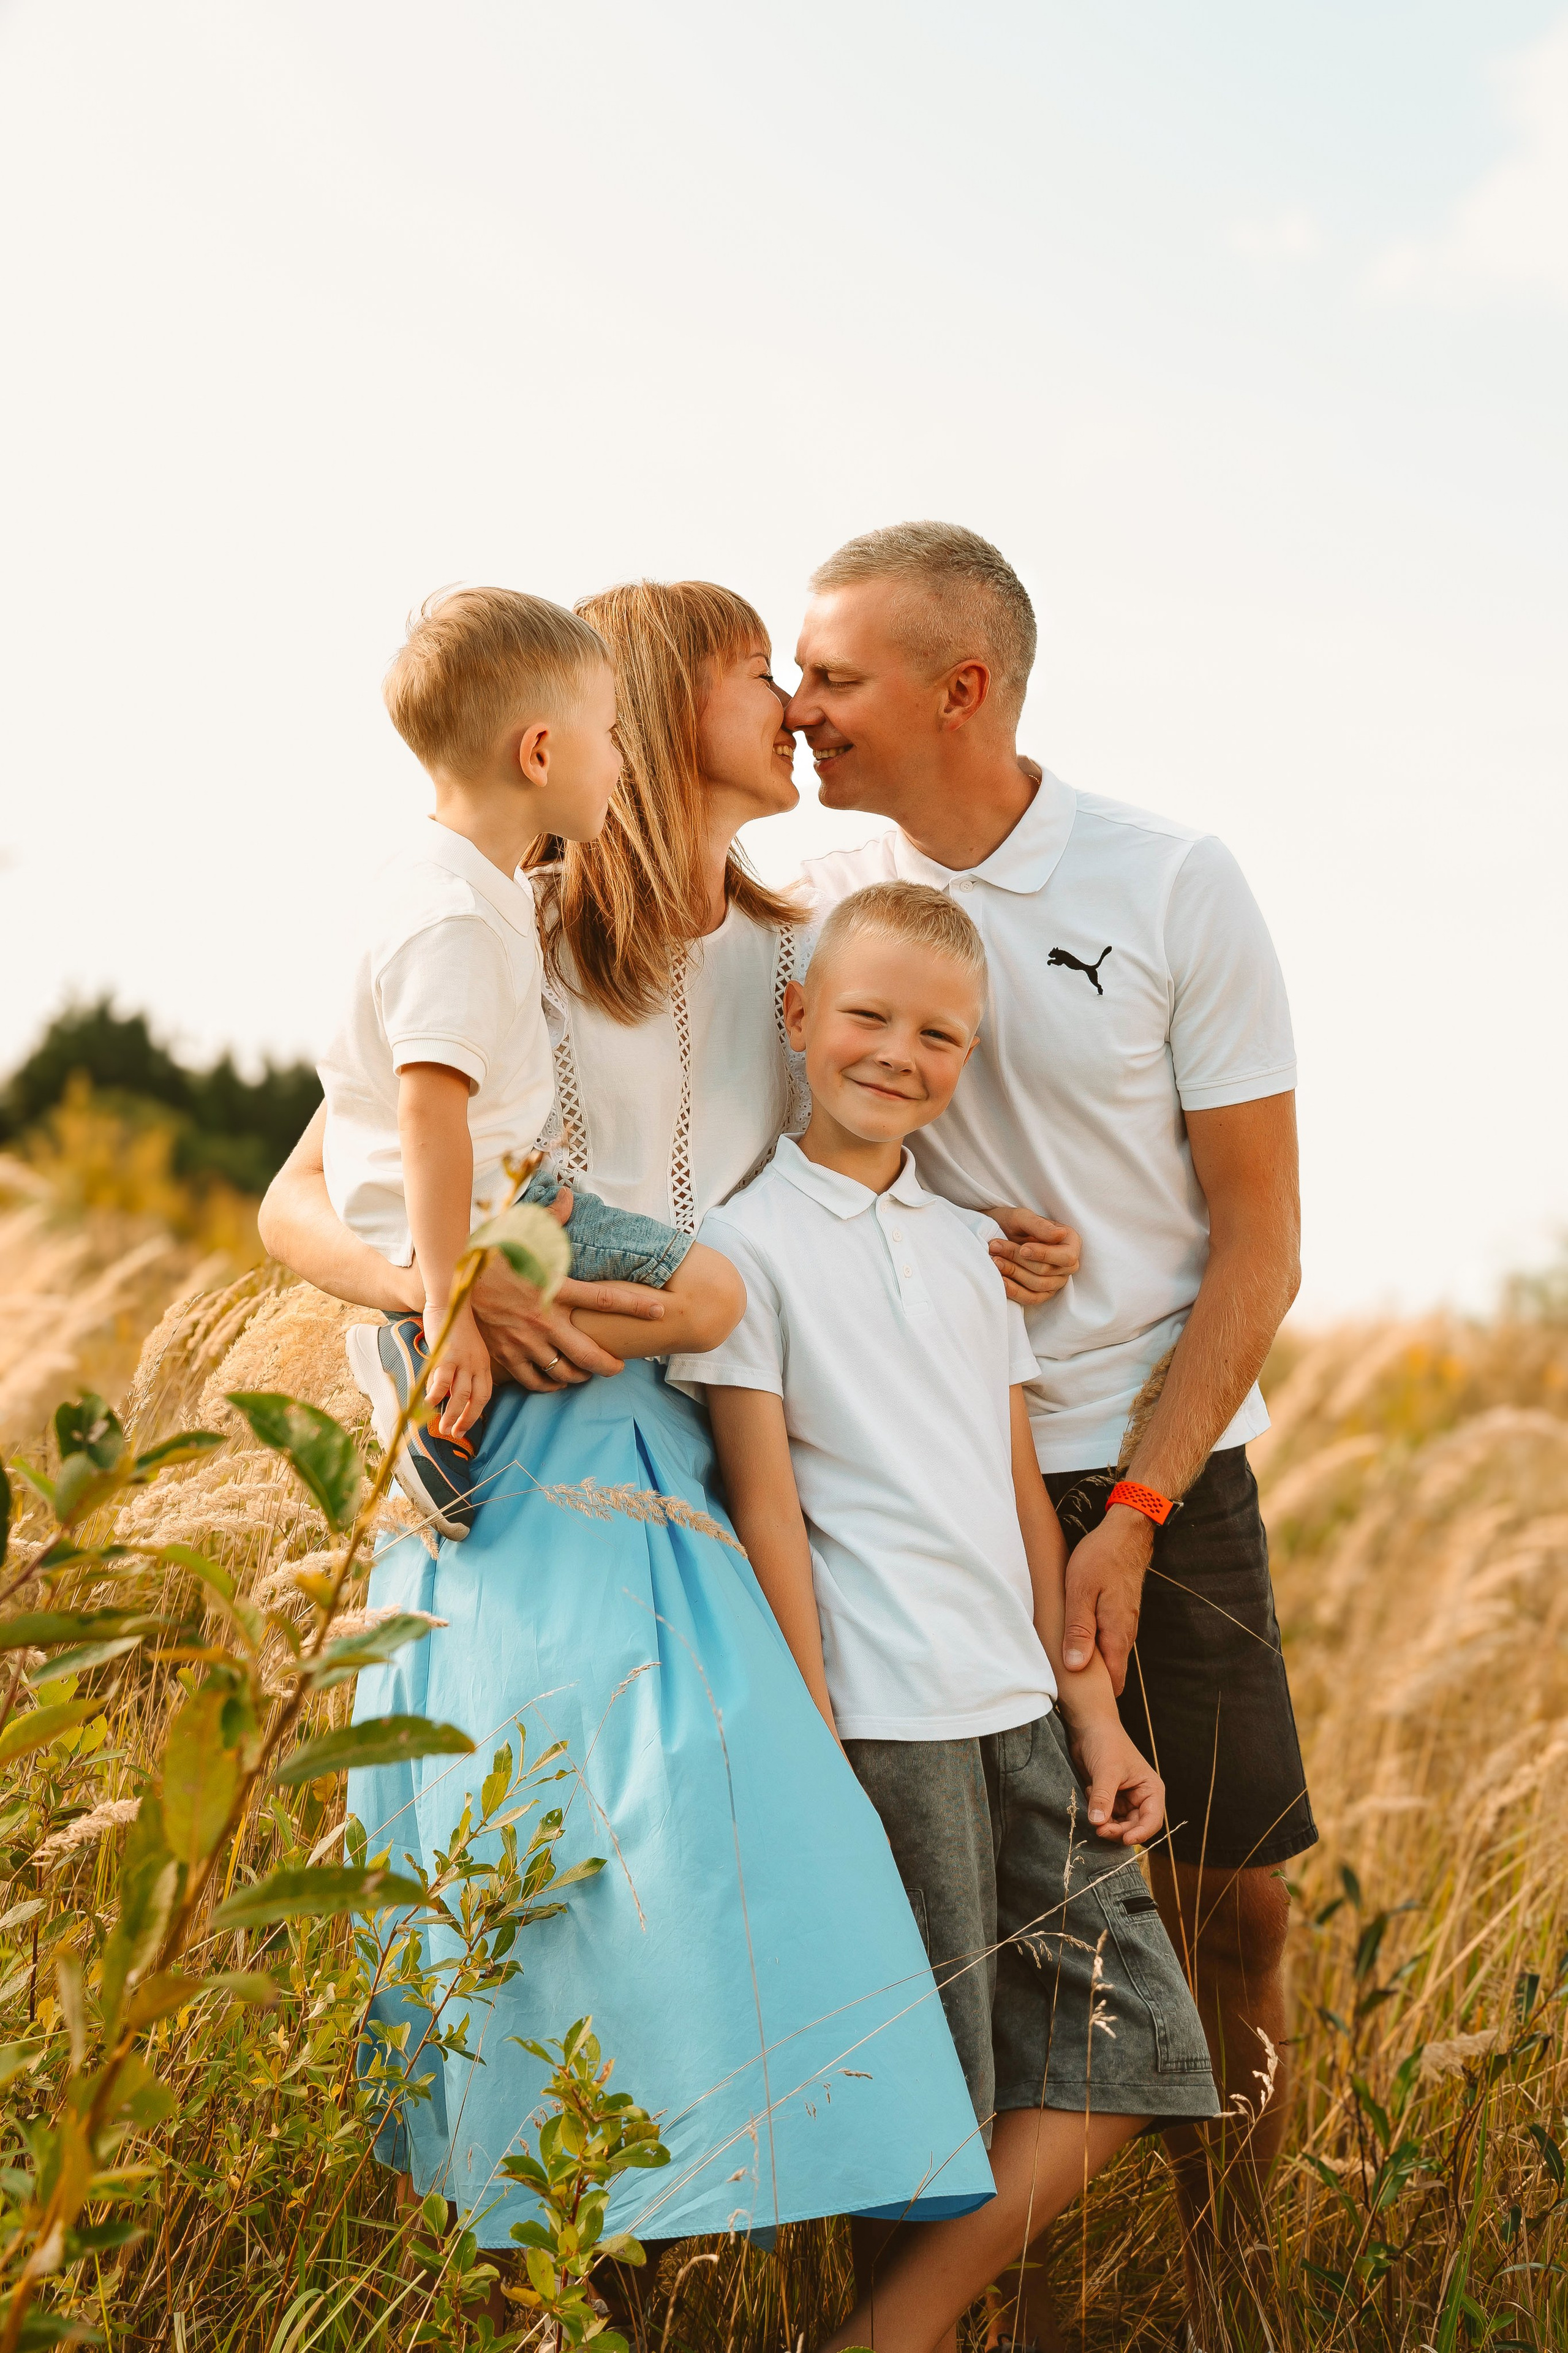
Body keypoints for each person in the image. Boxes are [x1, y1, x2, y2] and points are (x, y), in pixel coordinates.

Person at [257, 580, 998, 2282]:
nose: (796, 707)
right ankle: (545, 2280)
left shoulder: (797, 951)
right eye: (760, 677)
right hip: (515, 1452)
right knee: (549, 1878)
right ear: (658, 717)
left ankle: (670, 2270)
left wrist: (999, 1227)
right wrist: (443, 1296)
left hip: (692, 1465)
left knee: (689, 1868)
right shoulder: (497, 931)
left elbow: (888, 1114)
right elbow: (292, 1203)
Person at [788, 521, 1310, 2331]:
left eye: (836, 676)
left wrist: (1142, 1501)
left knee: (1227, 1900)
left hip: (1154, 1460)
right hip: (924, 1474)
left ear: (964, 687)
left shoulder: (1173, 882)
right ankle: (951, 2299)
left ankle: (1230, 2279)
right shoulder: (817, 900)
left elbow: (1261, 1237)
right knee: (947, 1921)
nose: (801, 708)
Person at [668, 878, 1217, 2353]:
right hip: (884, 1725)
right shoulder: (741, 1250)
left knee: (1138, 2047)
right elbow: (765, 1508)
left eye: (939, 1036)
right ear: (796, 1019)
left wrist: (1092, 1711)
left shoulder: (973, 1253)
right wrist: (806, 1734)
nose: (897, 1054)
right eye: (866, 1017)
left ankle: (883, 2339)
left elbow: (1019, 1500)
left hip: (1023, 1712)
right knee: (929, 2104)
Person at [317, 584, 743, 1539]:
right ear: (540, 752)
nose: (624, 759)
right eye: (613, 733)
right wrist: (450, 1293)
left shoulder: (446, 885)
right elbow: (429, 1115)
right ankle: (428, 1355)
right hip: (483, 1217)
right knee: (713, 1296)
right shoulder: (458, 919)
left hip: (472, 1212)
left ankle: (435, 1359)